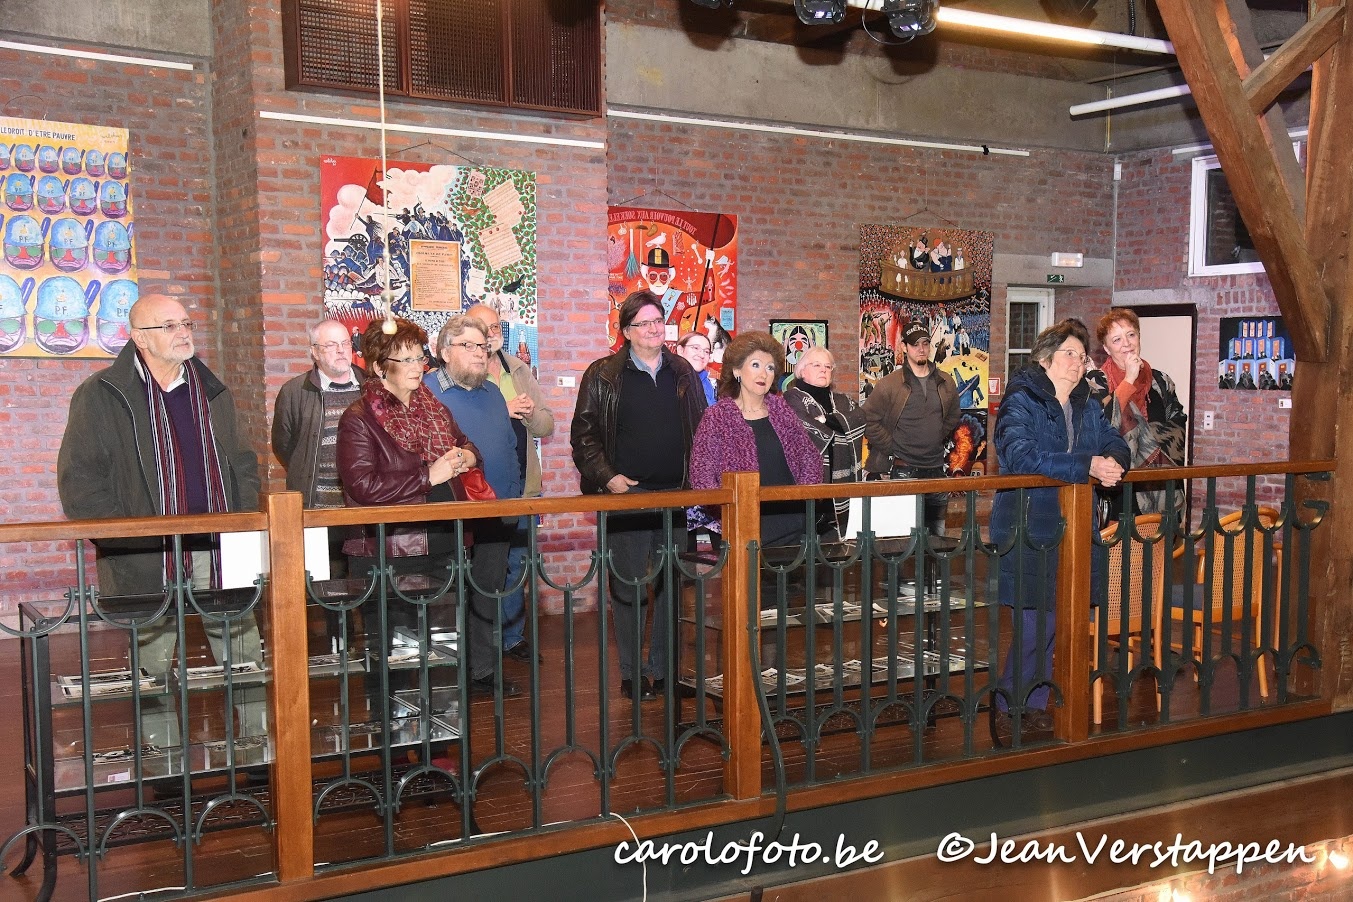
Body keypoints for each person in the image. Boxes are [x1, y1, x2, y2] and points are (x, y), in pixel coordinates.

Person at [57, 294, 263, 749]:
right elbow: (81, 482)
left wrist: (243, 516)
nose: (182, 333)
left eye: (186, 323)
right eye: (168, 326)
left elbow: (243, 462)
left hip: (218, 545)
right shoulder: (102, 395)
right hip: (148, 551)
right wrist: (127, 537)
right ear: (139, 338)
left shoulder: (212, 390)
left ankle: (257, 750)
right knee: (151, 662)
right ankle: (164, 756)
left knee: (243, 651)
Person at [336, 318, 513, 697]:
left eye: (420, 358)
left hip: (446, 545)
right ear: (380, 367)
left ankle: (442, 729)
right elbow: (362, 487)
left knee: (445, 654)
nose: (418, 366)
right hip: (390, 553)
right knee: (394, 660)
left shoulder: (433, 407)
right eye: (407, 359)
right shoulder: (359, 419)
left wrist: (468, 456)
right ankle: (395, 733)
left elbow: (466, 445)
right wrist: (427, 477)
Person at [989, 319, 1130, 745]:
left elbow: (1114, 440)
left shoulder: (1088, 403)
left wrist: (1113, 461)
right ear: (1045, 359)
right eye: (1070, 354)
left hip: (1075, 527)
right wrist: (1087, 465)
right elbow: (1020, 456)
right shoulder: (1021, 400)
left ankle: (1035, 705)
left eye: (1082, 356)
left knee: (1061, 623)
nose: (1078, 363)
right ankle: (1007, 705)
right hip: (1028, 526)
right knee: (1034, 623)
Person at [571, 291, 707, 701]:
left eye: (658, 320)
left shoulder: (683, 371)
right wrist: (607, 477)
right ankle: (632, 673)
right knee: (628, 588)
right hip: (626, 498)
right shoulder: (603, 375)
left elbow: (702, 428)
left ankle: (665, 671)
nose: (653, 329)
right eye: (643, 323)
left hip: (675, 497)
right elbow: (584, 437)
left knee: (670, 588)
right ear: (626, 331)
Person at [424, 313, 525, 679]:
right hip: (448, 515)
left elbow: (509, 448)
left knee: (487, 593)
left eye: (482, 346)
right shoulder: (426, 393)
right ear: (444, 351)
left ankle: (482, 671)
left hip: (496, 512)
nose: (479, 352)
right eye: (468, 345)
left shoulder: (494, 393)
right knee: (446, 596)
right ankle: (443, 675)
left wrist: (512, 499)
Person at [466, 302, 554, 663]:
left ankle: (512, 638)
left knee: (517, 565)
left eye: (496, 326)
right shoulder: (463, 374)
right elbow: (464, 427)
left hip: (522, 486)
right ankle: (480, 646)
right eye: (484, 327)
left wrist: (530, 414)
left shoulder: (518, 369)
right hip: (479, 491)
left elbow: (546, 425)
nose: (492, 334)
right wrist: (504, 410)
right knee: (482, 569)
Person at [689, 331, 822, 551]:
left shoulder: (781, 410)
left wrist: (804, 498)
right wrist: (729, 511)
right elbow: (702, 477)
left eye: (770, 368)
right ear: (737, 370)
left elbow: (810, 458)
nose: (764, 374)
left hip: (793, 525)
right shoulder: (717, 417)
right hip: (742, 530)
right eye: (756, 365)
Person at [271, 318, 363, 576]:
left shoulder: (371, 387)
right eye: (331, 345)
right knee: (323, 584)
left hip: (363, 510)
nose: (341, 350)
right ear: (314, 352)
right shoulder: (294, 392)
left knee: (365, 582)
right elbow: (284, 445)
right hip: (317, 509)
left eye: (345, 343)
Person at [1085, 309, 1188, 520]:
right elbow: (1099, 429)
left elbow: (1178, 428)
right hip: (1117, 489)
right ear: (1106, 348)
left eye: (1131, 335)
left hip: (1161, 488)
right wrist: (1128, 381)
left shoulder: (1161, 381)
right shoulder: (1095, 382)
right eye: (1117, 339)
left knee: (1163, 542)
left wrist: (1136, 437)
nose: (1127, 344)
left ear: (1139, 337)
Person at [862, 322, 961, 538]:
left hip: (936, 470)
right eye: (915, 344)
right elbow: (868, 419)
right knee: (901, 541)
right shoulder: (889, 384)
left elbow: (953, 415)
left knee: (936, 541)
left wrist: (937, 435)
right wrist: (892, 446)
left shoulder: (946, 382)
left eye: (925, 343)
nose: (921, 349)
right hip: (902, 470)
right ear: (904, 347)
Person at [782, 345, 866, 539]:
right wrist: (839, 425)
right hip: (809, 485)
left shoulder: (842, 400)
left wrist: (826, 420)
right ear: (802, 370)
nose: (823, 370)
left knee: (840, 548)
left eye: (828, 367)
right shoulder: (791, 397)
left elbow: (861, 417)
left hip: (842, 483)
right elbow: (803, 426)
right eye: (817, 365)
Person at [677, 330, 717, 406]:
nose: (702, 355)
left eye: (706, 351)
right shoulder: (670, 380)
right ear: (681, 350)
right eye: (696, 348)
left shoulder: (710, 385)